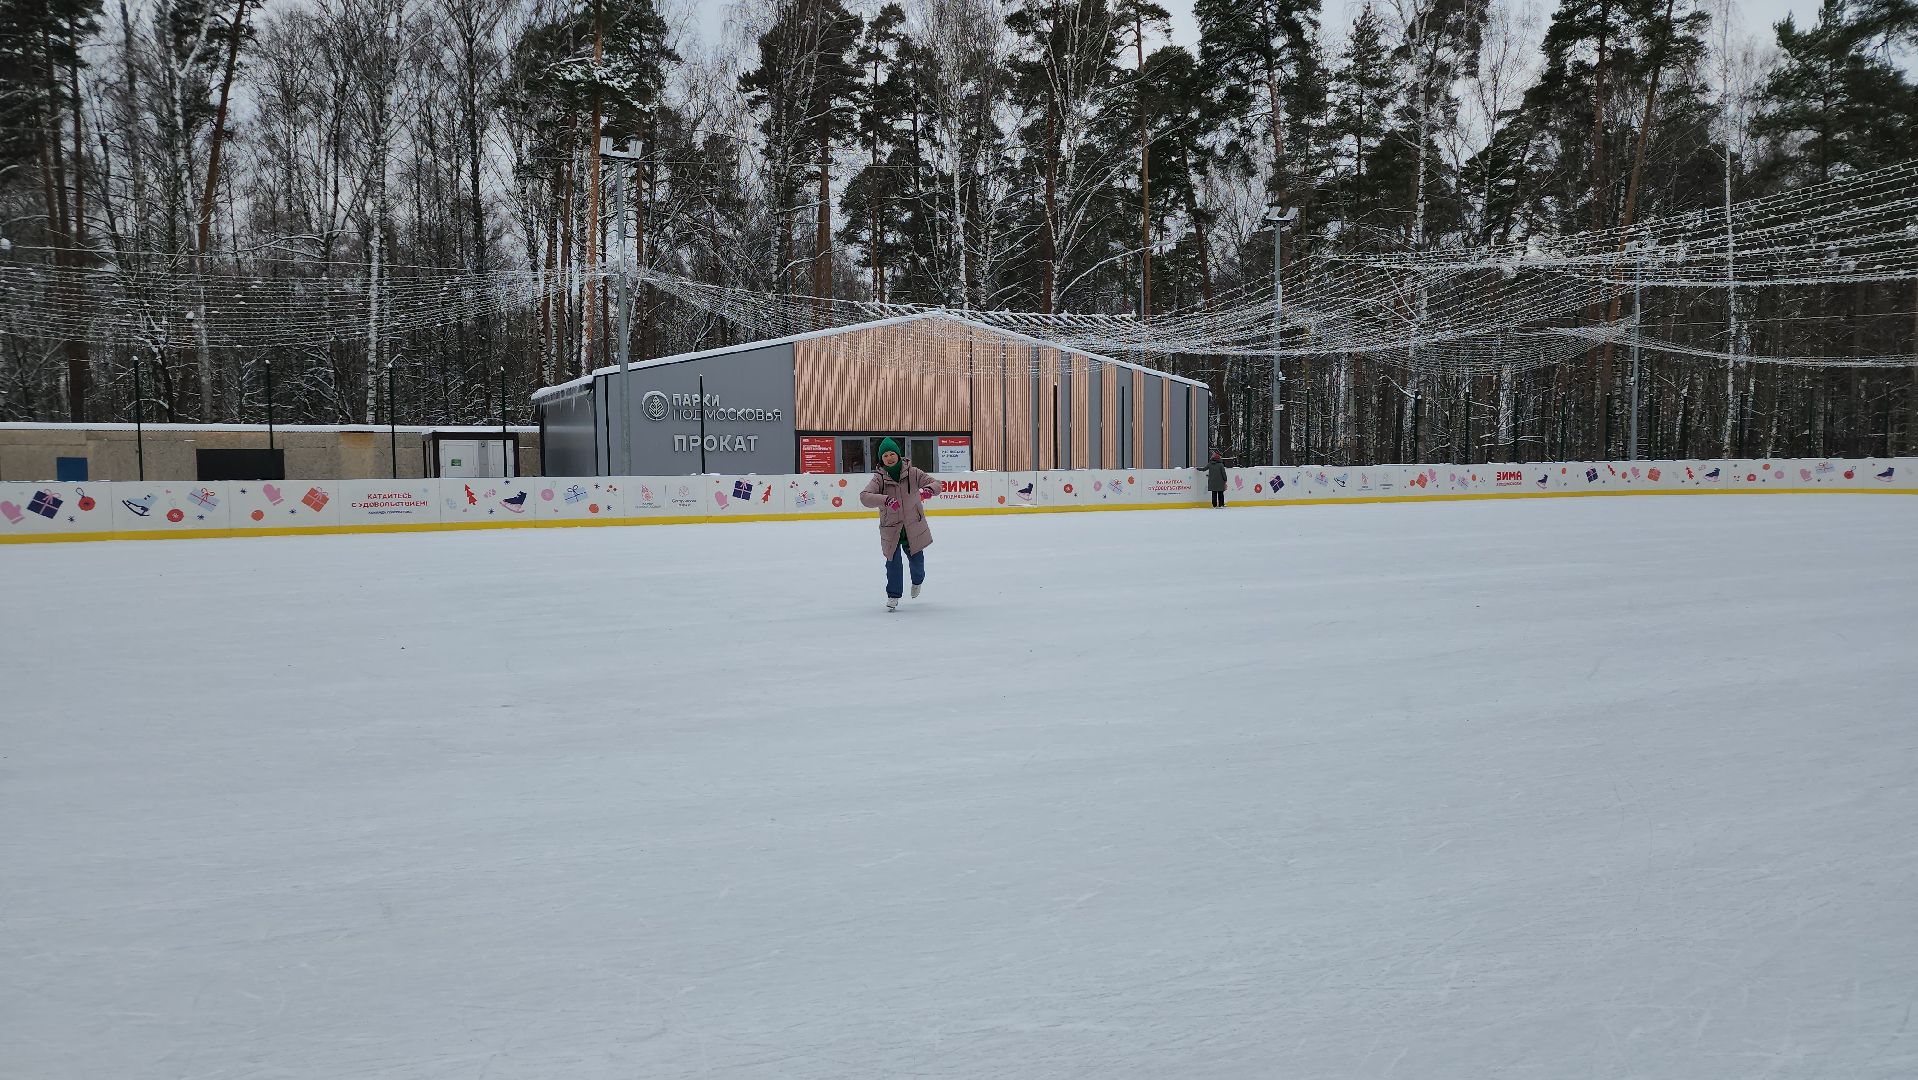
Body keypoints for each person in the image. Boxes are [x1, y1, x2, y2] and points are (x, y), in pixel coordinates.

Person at [859, 438, 941, 612]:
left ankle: (917, 581)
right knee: (893, 563)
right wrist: (886, 500)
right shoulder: (879, 478)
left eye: (892, 454)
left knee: (917, 563)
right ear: (882, 459)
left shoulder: (913, 473)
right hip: (892, 529)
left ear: (898, 454)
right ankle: (893, 595)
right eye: (885, 455)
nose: (889, 457)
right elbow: (865, 496)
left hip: (914, 527)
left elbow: (936, 484)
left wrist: (929, 490)